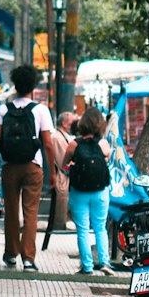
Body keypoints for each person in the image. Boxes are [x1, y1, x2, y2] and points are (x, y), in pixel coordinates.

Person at [0, 65, 55, 271]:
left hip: (9, 166)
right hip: (33, 166)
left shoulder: (4, 109)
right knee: (31, 212)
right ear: (33, 87)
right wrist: (52, 173)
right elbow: (47, 143)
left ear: (15, 85)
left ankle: (10, 254)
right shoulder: (40, 110)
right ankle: (28, 258)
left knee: (11, 210)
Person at [62, 105, 115, 275]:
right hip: (100, 192)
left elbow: (64, 165)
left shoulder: (74, 144)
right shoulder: (104, 144)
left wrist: (72, 169)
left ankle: (87, 266)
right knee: (100, 227)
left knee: (83, 229)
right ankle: (105, 263)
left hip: (78, 192)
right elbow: (108, 160)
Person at [47, 110, 77, 233]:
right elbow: (63, 161)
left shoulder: (61, 136)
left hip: (63, 175)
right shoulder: (57, 138)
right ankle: (59, 225)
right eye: (72, 122)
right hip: (61, 176)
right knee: (60, 201)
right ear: (64, 123)